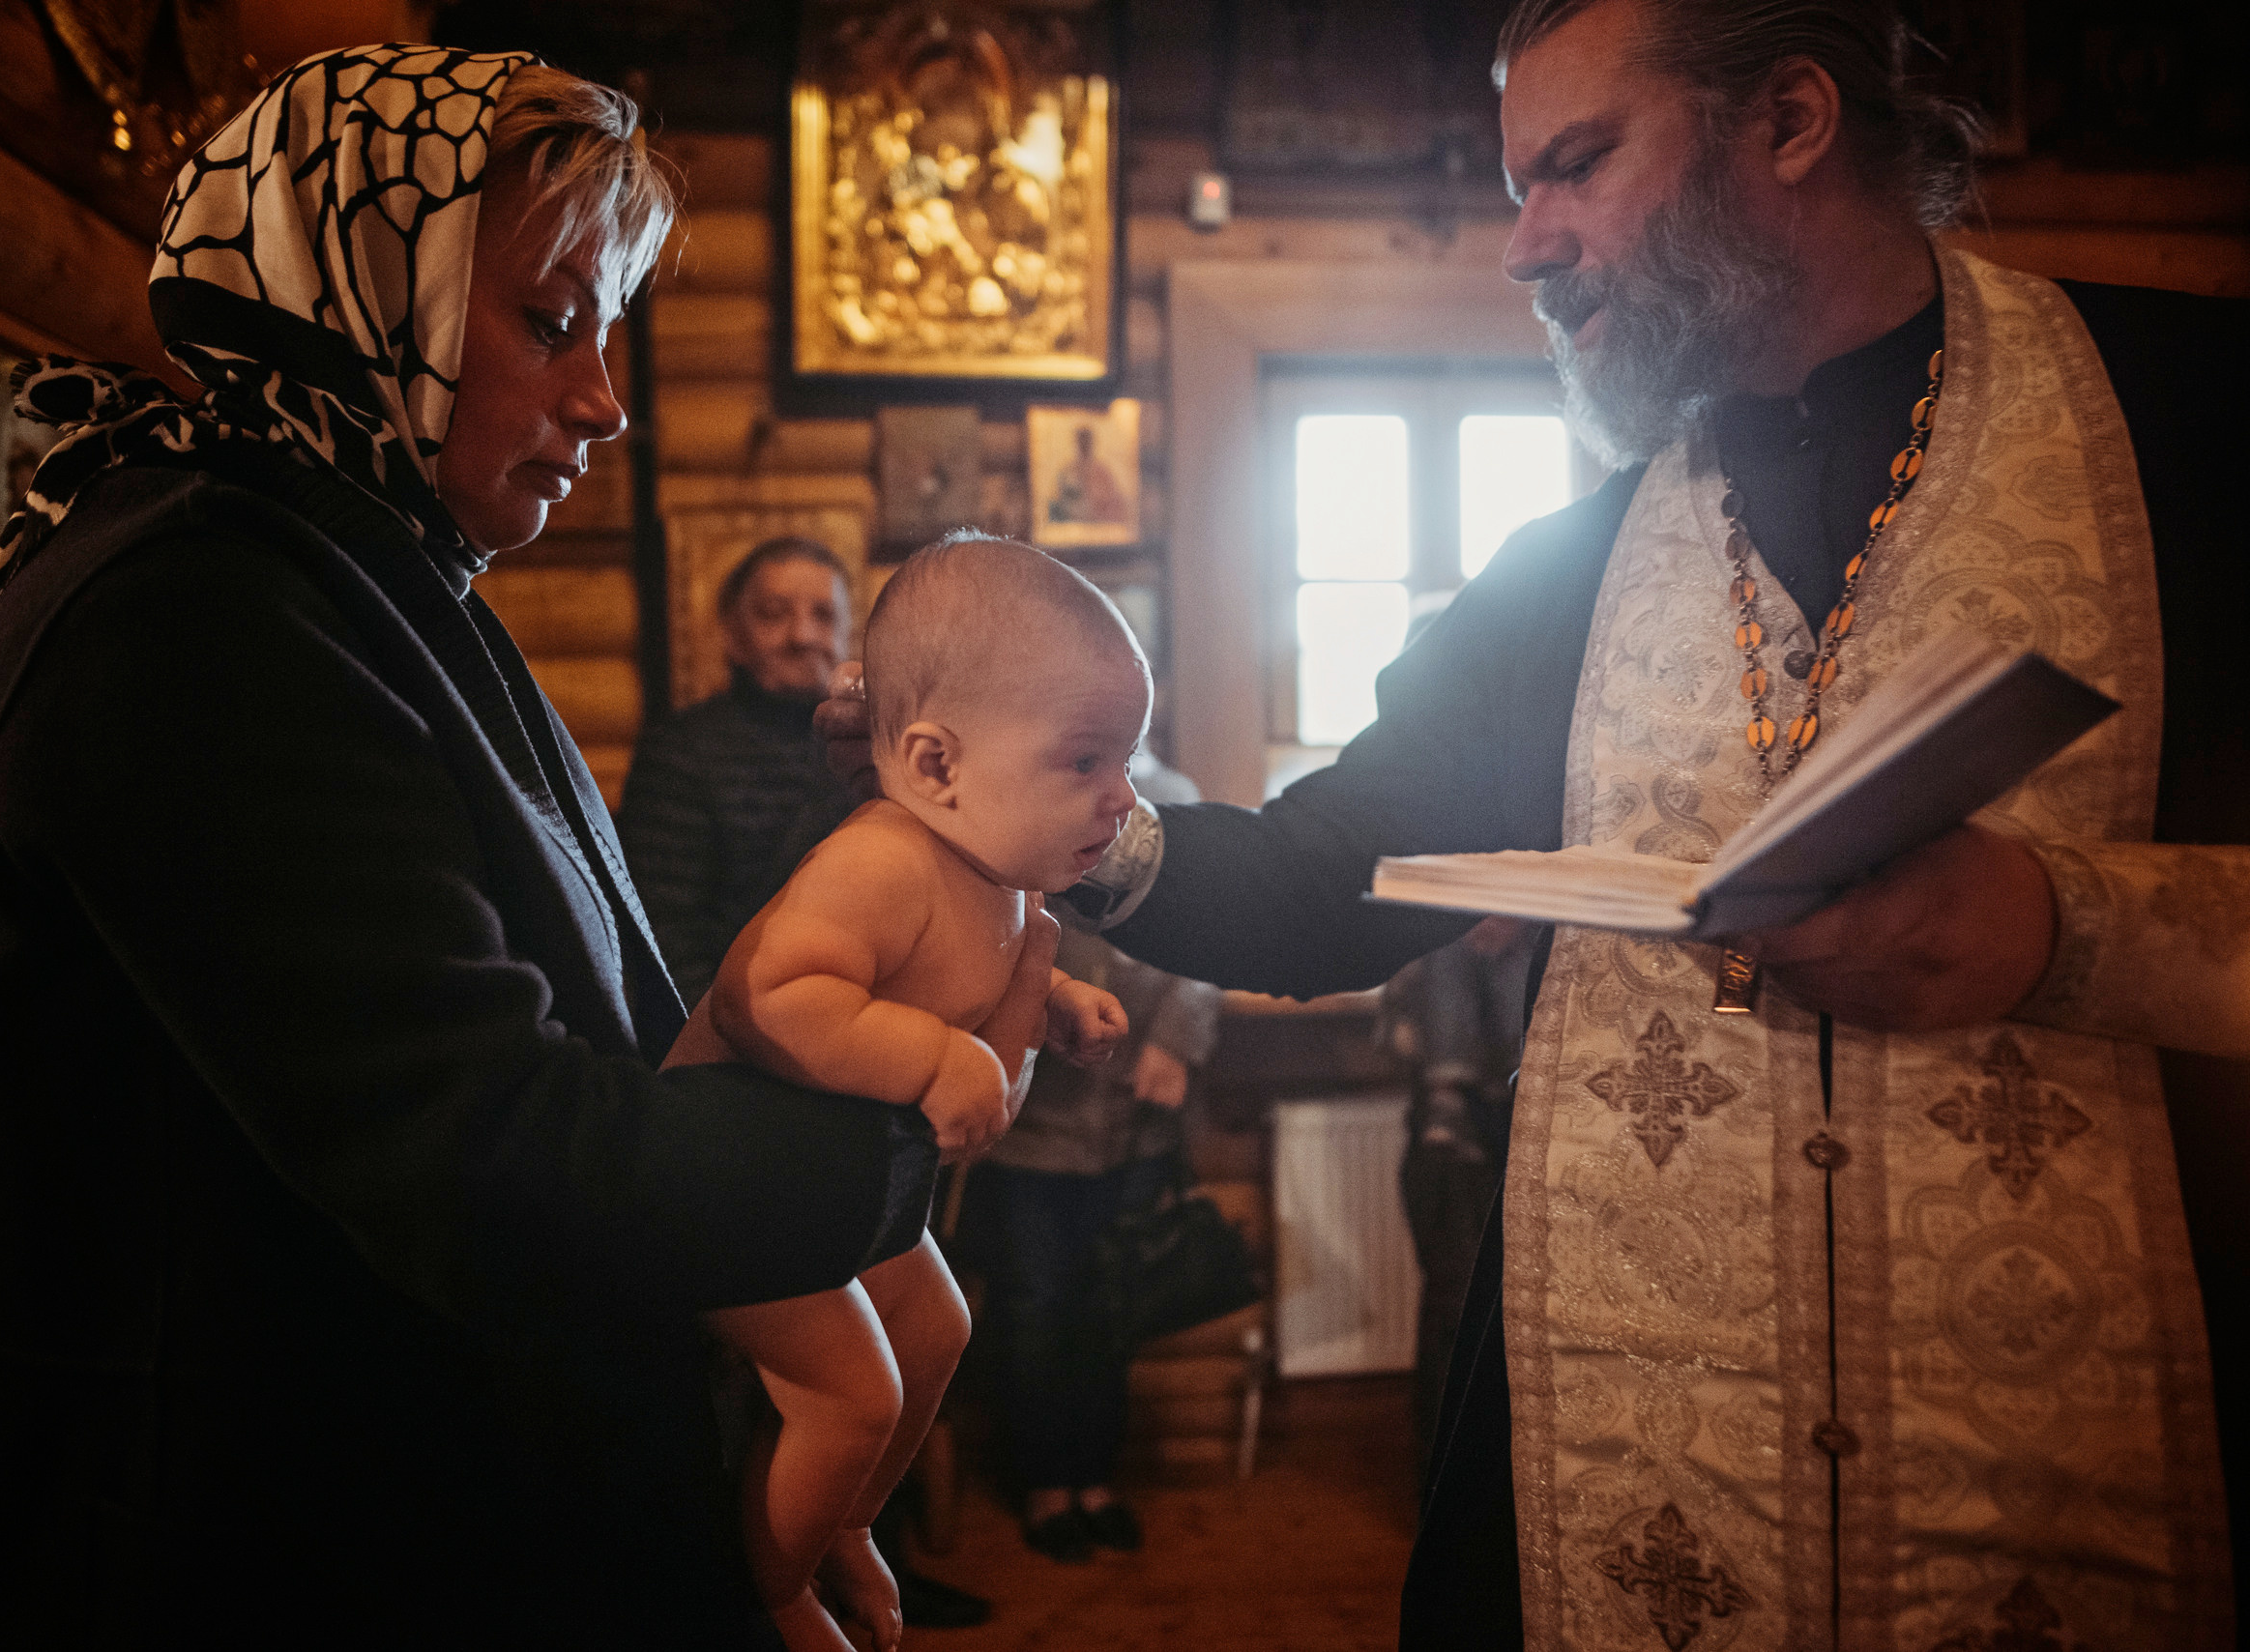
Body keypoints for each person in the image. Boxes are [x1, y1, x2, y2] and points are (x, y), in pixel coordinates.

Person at [826, 0, 2250, 1641]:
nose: (1524, 245)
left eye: (1574, 167)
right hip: (1637, 1455)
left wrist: (2065, 930)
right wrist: (1027, 796)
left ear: (1787, 123)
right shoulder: (1561, 574)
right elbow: (1317, 878)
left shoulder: (2189, 428)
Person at [0, 47, 961, 1648]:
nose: (605, 396)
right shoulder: (194, 614)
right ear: (349, 290)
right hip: (255, 1563)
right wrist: (896, 1153)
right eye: (549, 321)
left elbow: (582, 1014)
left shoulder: (364, 576)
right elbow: (480, 1144)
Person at [665, 532, 1140, 1652]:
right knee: (855, 1394)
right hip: (722, 1180)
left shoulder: (991, 874)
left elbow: (950, 975)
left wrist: (1058, 1002)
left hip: (822, 1185)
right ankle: (778, 1586)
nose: (1121, 796)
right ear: (935, 766)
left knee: (936, 1324)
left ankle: (842, 1523)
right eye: (1084, 761)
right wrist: (931, 1061)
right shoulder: (880, 859)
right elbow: (766, 994)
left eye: (1127, 759)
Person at [970, 752, 1223, 1564]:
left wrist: (1179, 1041)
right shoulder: (1012, 797)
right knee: (1036, 1303)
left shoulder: (1177, 800)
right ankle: (1047, 1484)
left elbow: (1207, 941)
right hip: (1035, 1119)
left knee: (1110, 1303)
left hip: (1135, 1118)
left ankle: (1095, 1480)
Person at [621, 536, 865, 1004]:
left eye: (823, 615)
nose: (802, 635)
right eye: (774, 614)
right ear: (733, 634)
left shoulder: (879, 749)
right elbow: (664, 937)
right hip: (731, 1032)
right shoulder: (679, 752)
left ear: (845, 633)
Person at [1376, 914, 1533, 1495]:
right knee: (1458, 1304)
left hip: (1536, 1100)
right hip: (1451, 1127)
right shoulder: (1439, 938)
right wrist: (1455, 915)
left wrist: (1523, 912)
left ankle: (1503, 1494)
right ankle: (1450, 1492)